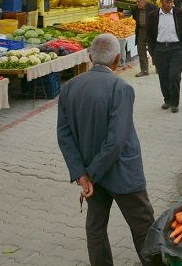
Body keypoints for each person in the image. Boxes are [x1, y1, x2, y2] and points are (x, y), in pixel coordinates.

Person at [57, 34, 156, 266]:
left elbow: (64, 136)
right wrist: (91, 173)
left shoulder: (69, 87)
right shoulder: (121, 87)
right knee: (143, 227)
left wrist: (82, 174)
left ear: (90, 57)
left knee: (95, 228)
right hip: (121, 173)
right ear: (118, 59)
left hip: (91, 176)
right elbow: (116, 140)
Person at [147, 0, 182, 113]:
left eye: (171, 2)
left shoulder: (180, 14)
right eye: (167, 2)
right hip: (160, 49)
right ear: (161, 1)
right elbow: (150, 35)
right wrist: (153, 51)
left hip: (177, 49)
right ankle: (167, 99)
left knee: (174, 76)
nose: (170, 4)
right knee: (163, 76)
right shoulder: (153, 15)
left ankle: (175, 102)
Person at [132, 0, 157, 77]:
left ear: (145, 2)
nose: (138, 4)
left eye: (139, 2)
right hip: (141, 30)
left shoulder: (153, 8)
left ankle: (158, 67)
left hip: (152, 31)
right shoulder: (135, 9)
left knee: (153, 49)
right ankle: (144, 70)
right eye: (137, 2)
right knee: (141, 50)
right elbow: (135, 19)